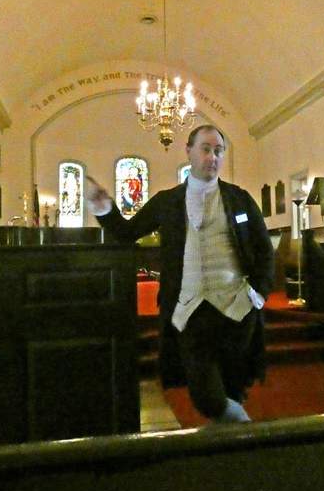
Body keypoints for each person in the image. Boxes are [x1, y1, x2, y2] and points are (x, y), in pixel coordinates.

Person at [86, 125, 274, 423]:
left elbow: (264, 250)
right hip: (189, 311)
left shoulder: (240, 199)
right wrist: (104, 209)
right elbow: (127, 232)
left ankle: (232, 457)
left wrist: (258, 295)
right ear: (188, 151)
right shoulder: (167, 201)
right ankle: (245, 430)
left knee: (233, 388)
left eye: (218, 151)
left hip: (238, 310)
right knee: (206, 396)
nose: (212, 157)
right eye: (205, 149)